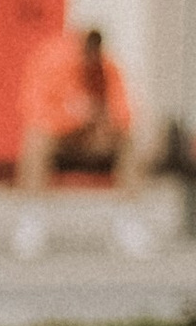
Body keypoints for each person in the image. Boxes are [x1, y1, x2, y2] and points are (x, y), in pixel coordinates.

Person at [10, 23, 137, 259]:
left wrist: (104, 121)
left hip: (91, 142)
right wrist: (72, 117)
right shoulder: (52, 63)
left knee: (129, 142)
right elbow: (33, 110)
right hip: (60, 139)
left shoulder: (107, 69)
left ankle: (128, 219)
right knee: (36, 140)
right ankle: (32, 218)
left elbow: (126, 113)